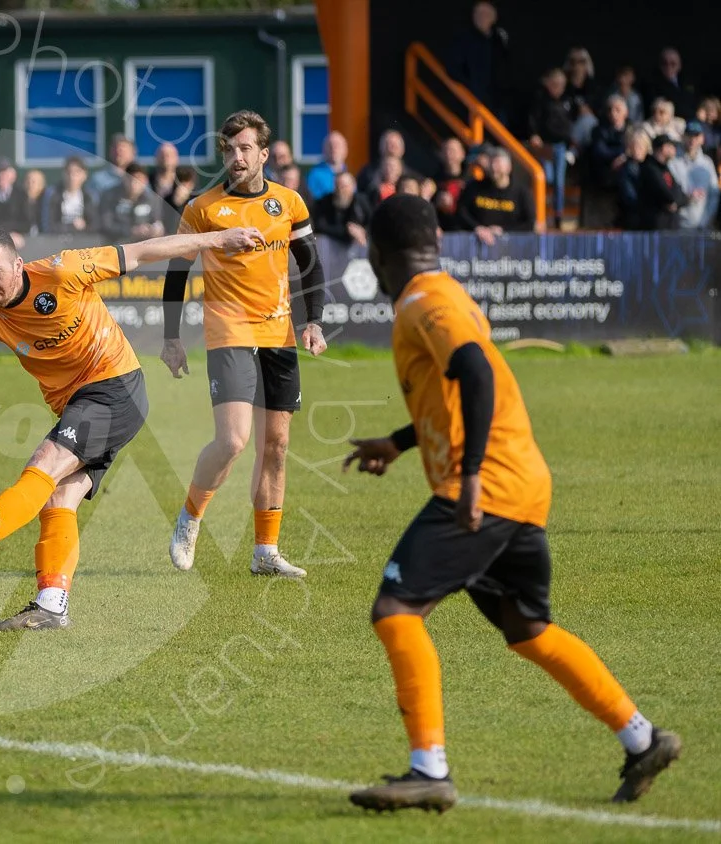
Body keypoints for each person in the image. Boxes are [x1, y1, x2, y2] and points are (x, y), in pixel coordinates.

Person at [342, 193, 682, 813]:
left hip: (487, 486)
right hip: (520, 482)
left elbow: (477, 375)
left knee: (396, 609)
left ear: (376, 252)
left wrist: (469, 478)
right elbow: (455, 393)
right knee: (528, 629)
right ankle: (643, 738)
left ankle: (429, 769)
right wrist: (397, 443)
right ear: (438, 237)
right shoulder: (442, 296)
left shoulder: (424, 300)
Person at [0, 224, 251, 630]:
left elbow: (143, 251)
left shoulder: (64, 271)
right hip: (78, 404)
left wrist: (213, 240)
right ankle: (52, 605)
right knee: (59, 498)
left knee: (45, 463)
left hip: (115, 387)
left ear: (18, 264)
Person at [161, 110, 327, 578]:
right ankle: (190, 517)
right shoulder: (202, 208)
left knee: (276, 445)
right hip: (228, 330)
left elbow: (310, 263)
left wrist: (314, 322)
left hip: (280, 333)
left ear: (263, 154)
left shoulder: (289, 202)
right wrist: (172, 337)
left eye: (245, 149)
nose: (236, 157)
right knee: (234, 440)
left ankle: (265, 552)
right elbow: (177, 272)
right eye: (229, 150)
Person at [458, 148, 537, 244]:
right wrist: (477, 227)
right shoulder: (474, 187)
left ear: (509, 167)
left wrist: (503, 230)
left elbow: (529, 223)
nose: (494, 168)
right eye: (491, 163)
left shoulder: (522, 192)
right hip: (477, 246)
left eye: (498, 164)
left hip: (511, 249)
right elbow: (461, 212)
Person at [527, 68, 574, 227]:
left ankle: (558, 216)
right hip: (546, 145)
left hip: (561, 146)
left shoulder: (567, 100)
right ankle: (541, 212)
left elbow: (570, 122)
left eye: (561, 85)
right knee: (547, 177)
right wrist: (534, 134)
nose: (558, 88)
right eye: (555, 84)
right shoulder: (541, 99)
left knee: (559, 182)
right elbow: (534, 118)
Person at [583, 96, 632, 228]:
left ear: (626, 112)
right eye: (610, 110)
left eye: (618, 110)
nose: (613, 114)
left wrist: (624, 157)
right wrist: (621, 154)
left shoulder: (632, 129)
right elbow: (600, 152)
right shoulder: (599, 130)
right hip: (606, 173)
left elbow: (637, 150)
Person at [312, 171, 371, 250]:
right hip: (332, 246)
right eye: (337, 186)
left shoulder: (362, 202)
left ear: (353, 186)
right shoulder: (324, 202)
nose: (340, 190)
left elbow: (373, 223)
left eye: (344, 186)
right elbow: (320, 226)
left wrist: (362, 231)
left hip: (357, 244)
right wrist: (346, 231)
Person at [41, 156, 98, 235]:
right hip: (57, 242)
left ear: (84, 175)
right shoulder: (52, 194)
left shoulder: (90, 196)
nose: (72, 177)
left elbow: (96, 225)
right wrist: (72, 226)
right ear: (63, 174)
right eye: (69, 172)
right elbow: (48, 226)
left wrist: (84, 226)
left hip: (84, 242)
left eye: (77, 172)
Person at [643, 48, 697, 121]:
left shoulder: (687, 81)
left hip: (690, 121)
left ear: (679, 65)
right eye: (664, 63)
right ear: (659, 65)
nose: (668, 67)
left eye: (673, 64)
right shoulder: (652, 85)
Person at [433, 138, 470, 231]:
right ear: (440, 154)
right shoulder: (433, 181)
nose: (448, 154)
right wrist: (436, 201)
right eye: (445, 150)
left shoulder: (471, 179)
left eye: (453, 150)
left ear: (462, 154)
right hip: (443, 230)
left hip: (467, 231)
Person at [308, 131, 349, 201]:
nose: (334, 149)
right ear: (324, 149)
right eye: (330, 145)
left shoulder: (349, 173)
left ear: (345, 150)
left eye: (337, 145)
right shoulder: (314, 175)